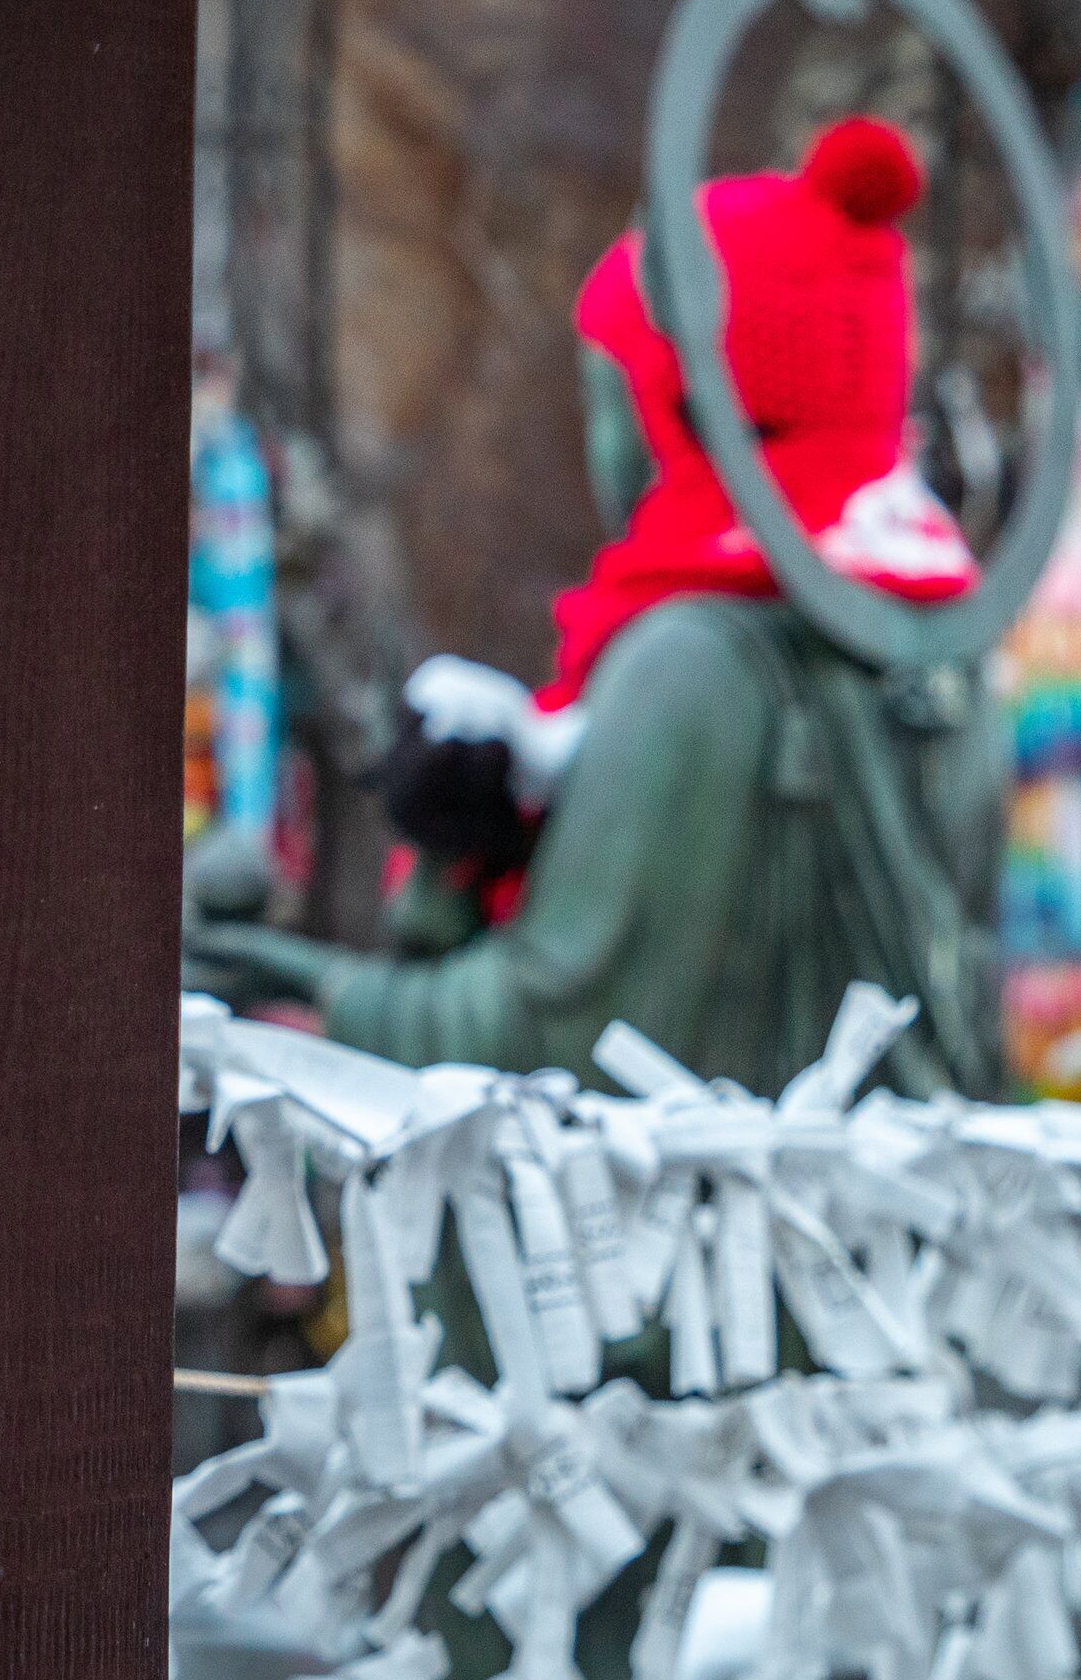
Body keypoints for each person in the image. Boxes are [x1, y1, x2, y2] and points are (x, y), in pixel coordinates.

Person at [190, 118, 1008, 1097]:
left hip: (713, 1231)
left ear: (695, 408)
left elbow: (561, 1032)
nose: (603, 445)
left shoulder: (696, 665)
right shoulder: (934, 650)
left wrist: (307, 997)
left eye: (616, 395)